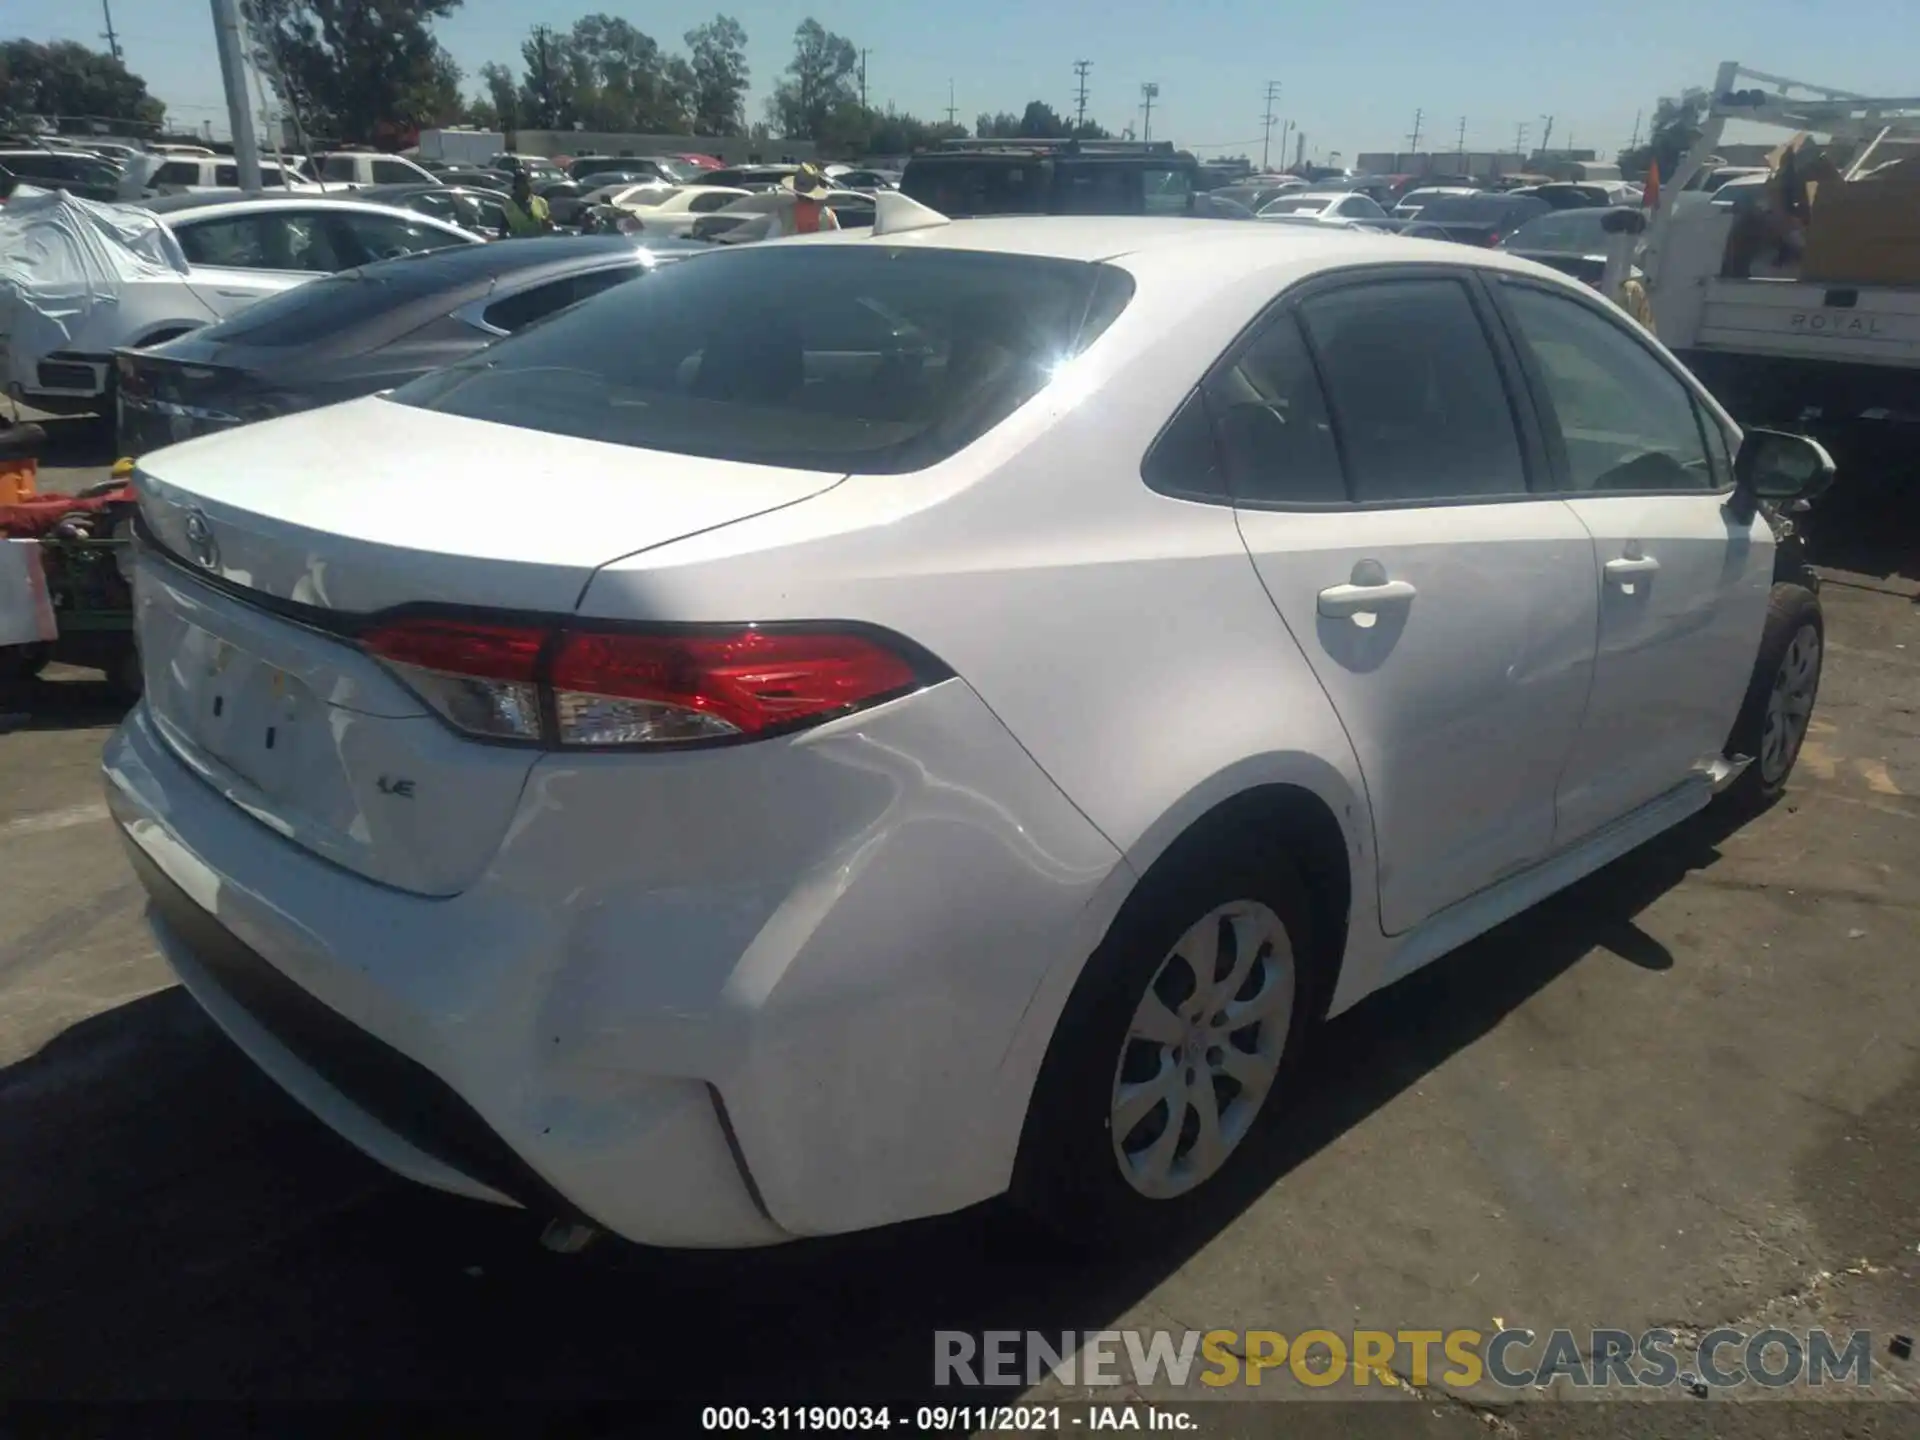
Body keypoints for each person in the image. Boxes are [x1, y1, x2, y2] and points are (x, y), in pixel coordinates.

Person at [771, 164, 841, 238]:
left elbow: (769, 241)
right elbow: (838, 241)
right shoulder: (828, 215)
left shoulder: (784, 214)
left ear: (795, 192)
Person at [508, 169, 552, 235]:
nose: (528, 186)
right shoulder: (508, 206)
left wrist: (548, 224)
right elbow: (503, 231)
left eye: (528, 182)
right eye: (523, 183)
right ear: (516, 186)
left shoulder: (541, 202)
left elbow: (550, 223)